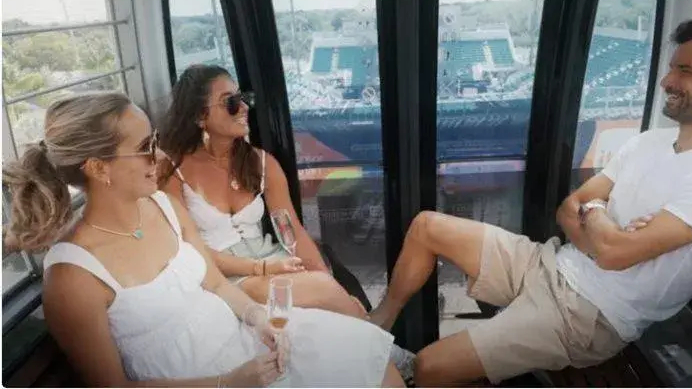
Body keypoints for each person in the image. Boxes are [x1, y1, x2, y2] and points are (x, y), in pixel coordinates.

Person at [368, 13, 692, 386]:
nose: (667, 81)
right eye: (672, 68)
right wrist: (601, 227)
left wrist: (597, 217)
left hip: (591, 313)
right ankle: (376, 333)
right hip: (552, 263)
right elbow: (570, 209)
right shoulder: (650, 143)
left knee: (429, 369)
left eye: (686, 71)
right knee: (427, 226)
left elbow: (613, 252)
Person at [3, 92, 404, 387]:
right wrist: (228, 383)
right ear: (98, 168)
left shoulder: (163, 206)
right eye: (145, 148)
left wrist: (258, 319)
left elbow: (215, 283)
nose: (161, 157)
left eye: (155, 141)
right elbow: (114, 387)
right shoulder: (73, 276)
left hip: (243, 341)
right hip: (201, 380)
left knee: (379, 369)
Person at [158, 65, 369, 319]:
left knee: (332, 302)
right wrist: (262, 268)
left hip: (274, 262)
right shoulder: (174, 171)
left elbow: (293, 232)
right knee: (327, 296)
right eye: (230, 102)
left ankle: (370, 329)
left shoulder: (261, 163)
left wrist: (329, 282)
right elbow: (190, 250)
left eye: (242, 98)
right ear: (200, 116)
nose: (244, 107)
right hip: (226, 277)